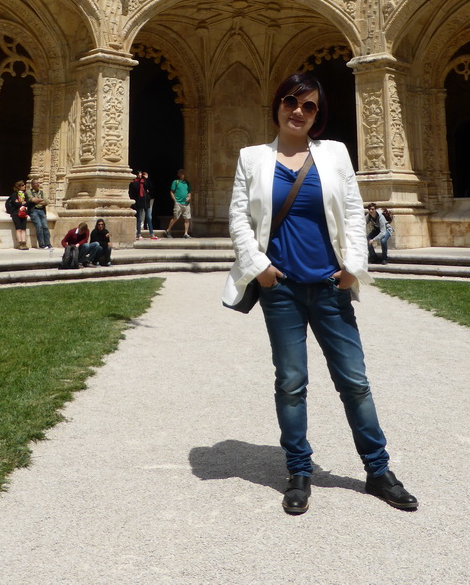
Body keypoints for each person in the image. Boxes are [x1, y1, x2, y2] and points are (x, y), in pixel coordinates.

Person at [223, 72, 417, 515]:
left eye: (308, 106)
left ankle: (378, 470)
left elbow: (352, 210)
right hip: (282, 289)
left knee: (355, 382)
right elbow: (239, 220)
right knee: (291, 383)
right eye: (291, 101)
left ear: (317, 114)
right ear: (277, 105)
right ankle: (298, 472)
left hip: (330, 287)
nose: (298, 111)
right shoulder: (252, 157)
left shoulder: (334, 154)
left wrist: (353, 270)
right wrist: (262, 270)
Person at [129, 170, 156, 240]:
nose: (140, 175)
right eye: (139, 173)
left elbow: (150, 186)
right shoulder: (134, 182)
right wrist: (140, 181)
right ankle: (139, 234)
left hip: (146, 201)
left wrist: (146, 178)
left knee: (149, 217)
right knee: (139, 218)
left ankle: (152, 233)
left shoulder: (144, 181)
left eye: (141, 173)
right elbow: (135, 189)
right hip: (139, 202)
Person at [165, 169, 192, 238]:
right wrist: (175, 200)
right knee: (176, 217)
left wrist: (189, 197)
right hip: (178, 202)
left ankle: (186, 233)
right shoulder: (176, 182)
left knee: (187, 218)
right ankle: (168, 230)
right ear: (178, 174)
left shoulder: (187, 183)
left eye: (183, 172)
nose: (182, 174)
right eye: (181, 173)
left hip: (186, 203)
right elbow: (171, 191)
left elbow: (189, 192)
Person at [26, 178, 52, 249]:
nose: (37, 184)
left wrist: (38, 201)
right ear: (32, 185)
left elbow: (46, 202)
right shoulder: (29, 192)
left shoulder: (42, 192)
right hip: (34, 210)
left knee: (45, 227)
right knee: (39, 227)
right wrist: (40, 200)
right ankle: (41, 244)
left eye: (38, 183)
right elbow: (32, 200)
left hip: (42, 211)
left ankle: (48, 243)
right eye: (35, 183)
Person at [5, 180, 29, 250]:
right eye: (22, 185)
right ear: (19, 187)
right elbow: (15, 203)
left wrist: (21, 203)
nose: (24, 186)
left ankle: (24, 242)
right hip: (16, 213)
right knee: (18, 228)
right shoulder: (14, 194)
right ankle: (20, 243)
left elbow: (27, 202)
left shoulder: (25, 194)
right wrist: (22, 203)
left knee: (23, 228)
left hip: (24, 213)